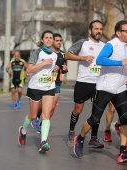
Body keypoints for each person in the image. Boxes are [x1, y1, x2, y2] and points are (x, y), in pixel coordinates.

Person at [73, 20, 127, 163]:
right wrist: (120, 62)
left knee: (125, 118)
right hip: (105, 87)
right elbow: (100, 59)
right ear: (118, 33)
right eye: (126, 31)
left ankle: (123, 152)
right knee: (95, 119)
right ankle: (80, 138)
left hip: (121, 87)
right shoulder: (111, 45)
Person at [65, 20, 105, 148]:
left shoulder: (106, 46)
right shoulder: (83, 43)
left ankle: (93, 138)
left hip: (99, 83)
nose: (99, 31)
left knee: (97, 111)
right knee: (78, 109)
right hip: (84, 82)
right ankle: (71, 132)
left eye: (100, 29)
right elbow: (67, 55)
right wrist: (82, 58)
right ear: (90, 31)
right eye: (96, 29)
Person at [18, 30, 59, 154]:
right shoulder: (37, 53)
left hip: (49, 87)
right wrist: (43, 63)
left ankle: (43, 142)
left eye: (50, 38)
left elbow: (51, 72)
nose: (48, 40)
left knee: (46, 115)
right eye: (46, 38)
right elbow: (29, 70)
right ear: (42, 39)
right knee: (33, 115)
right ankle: (23, 131)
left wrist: (55, 69)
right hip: (35, 87)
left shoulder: (55, 55)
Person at [31, 33, 68, 133]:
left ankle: (43, 125)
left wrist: (63, 68)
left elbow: (64, 68)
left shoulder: (63, 54)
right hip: (43, 82)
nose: (59, 42)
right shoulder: (44, 53)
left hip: (56, 83)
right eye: (57, 40)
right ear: (52, 42)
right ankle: (37, 116)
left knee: (52, 107)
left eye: (60, 41)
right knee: (42, 105)